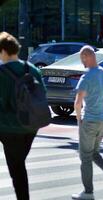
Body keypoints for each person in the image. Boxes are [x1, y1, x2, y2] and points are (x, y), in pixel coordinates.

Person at [71, 46, 103, 200]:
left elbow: (78, 102)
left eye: (82, 59)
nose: (82, 63)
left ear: (87, 56)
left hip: (89, 120)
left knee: (85, 157)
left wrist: (78, 118)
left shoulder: (86, 77)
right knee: (94, 153)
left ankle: (88, 192)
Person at [0, 32, 43, 200]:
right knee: (18, 164)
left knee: (17, 168)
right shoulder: (31, 69)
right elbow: (42, 97)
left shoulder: (2, 72)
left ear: (3, 51)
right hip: (31, 127)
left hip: (9, 128)